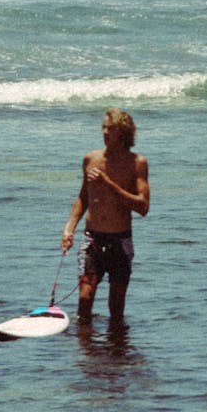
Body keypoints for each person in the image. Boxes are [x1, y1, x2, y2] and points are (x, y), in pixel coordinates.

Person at [61, 108, 150, 323]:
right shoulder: (90, 159)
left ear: (123, 132)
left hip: (120, 240)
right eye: (103, 127)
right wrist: (69, 229)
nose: (104, 132)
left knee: (116, 307)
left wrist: (108, 184)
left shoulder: (137, 163)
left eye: (110, 128)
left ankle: (116, 354)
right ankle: (85, 353)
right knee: (85, 298)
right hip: (93, 238)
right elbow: (83, 197)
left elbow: (143, 206)